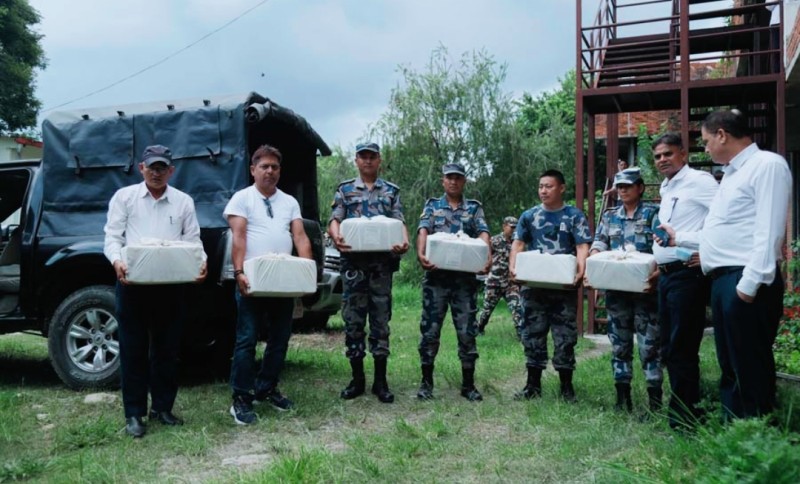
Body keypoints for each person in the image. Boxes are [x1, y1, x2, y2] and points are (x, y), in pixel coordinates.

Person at [104, 144, 207, 438]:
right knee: (133, 349)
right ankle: (134, 414)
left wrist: (202, 263)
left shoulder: (183, 202)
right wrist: (117, 261)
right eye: (152, 167)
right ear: (141, 168)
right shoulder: (124, 198)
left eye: (162, 167)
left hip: (170, 285)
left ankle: (162, 408)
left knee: (167, 350)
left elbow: (194, 240)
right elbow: (112, 237)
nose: (157, 172)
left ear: (171, 171)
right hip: (133, 283)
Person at [697, 110, 790, 419]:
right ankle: (734, 436)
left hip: (745, 280)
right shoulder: (732, 174)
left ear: (722, 134)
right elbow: (725, 230)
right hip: (724, 281)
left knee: (749, 366)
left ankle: (758, 440)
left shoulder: (767, 166)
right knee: (730, 366)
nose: (706, 148)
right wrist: (679, 238)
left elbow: (769, 230)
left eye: (707, 141)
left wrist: (749, 286)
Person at [224, 144, 313, 425]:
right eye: (264, 166)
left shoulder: (289, 202)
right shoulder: (242, 198)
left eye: (275, 166)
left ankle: (267, 388)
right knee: (247, 339)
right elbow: (238, 237)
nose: (270, 171)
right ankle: (241, 397)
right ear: (253, 170)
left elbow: (300, 237)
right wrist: (238, 272)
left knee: (280, 338)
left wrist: (306, 273)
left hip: (282, 281)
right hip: (253, 279)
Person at [328, 142, 410, 404]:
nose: (367, 161)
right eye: (363, 157)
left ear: (379, 160)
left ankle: (380, 382)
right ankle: (357, 379)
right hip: (354, 267)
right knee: (353, 322)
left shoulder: (391, 191)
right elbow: (335, 219)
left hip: (381, 268)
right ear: (356, 160)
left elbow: (399, 222)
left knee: (380, 322)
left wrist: (404, 242)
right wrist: (336, 236)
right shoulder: (345, 190)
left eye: (372, 157)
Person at [651, 132, 718, 429]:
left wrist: (705, 252)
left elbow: (723, 221)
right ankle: (682, 409)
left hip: (688, 275)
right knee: (670, 346)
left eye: (668, 154)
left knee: (681, 347)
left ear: (683, 154)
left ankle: (686, 417)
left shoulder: (700, 182)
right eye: (657, 156)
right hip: (667, 277)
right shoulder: (668, 187)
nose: (662, 160)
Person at [510, 169, 591, 402]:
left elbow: (582, 246)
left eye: (549, 186)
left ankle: (566, 388)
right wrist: (513, 269)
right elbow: (518, 244)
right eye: (541, 186)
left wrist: (580, 270)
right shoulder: (529, 216)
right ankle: (532, 386)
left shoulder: (574, 216)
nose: (543, 191)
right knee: (532, 335)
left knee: (565, 337)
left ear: (562, 188)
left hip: (562, 290)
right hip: (533, 288)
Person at [587, 168, 661, 413]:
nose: (623, 190)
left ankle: (654, 401)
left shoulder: (653, 213)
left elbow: (662, 249)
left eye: (628, 186)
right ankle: (622, 399)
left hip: (645, 293)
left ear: (640, 188)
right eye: (619, 187)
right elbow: (599, 243)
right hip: (617, 293)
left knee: (649, 346)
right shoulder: (609, 216)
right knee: (619, 345)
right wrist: (593, 262)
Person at [416, 162, 491, 401]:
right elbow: (423, 230)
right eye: (449, 177)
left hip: (464, 282)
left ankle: (468, 385)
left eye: (458, 178)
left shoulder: (474, 208)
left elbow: (483, 233)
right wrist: (421, 254)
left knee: (467, 332)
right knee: (429, 332)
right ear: (443, 180)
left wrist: (487, 255)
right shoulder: (432, 206)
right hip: (436, 279)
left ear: (464, 181)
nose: (453, 182)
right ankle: (426, 383)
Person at [477, 216, 523, 337]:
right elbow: (485, 257)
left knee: (517, 307)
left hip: (510, 283)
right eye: (511, 227)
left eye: (515, 228)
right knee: (487, 310)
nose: (513, 230)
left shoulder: (518, 243)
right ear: (504, 226)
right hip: (494, 282)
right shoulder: (495, 241)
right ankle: (479, 328)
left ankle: (521, 333)